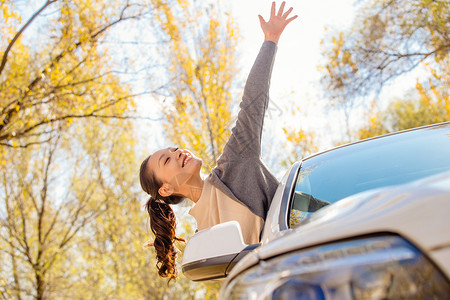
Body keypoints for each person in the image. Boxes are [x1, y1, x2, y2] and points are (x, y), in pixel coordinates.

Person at [139, 1, 297, 281]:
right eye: (168, 159)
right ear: (165, 190)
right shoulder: (203, 240)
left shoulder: (235, 163)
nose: (178, 153)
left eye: (175, 149)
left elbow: (252, 105)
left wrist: (270, 41)